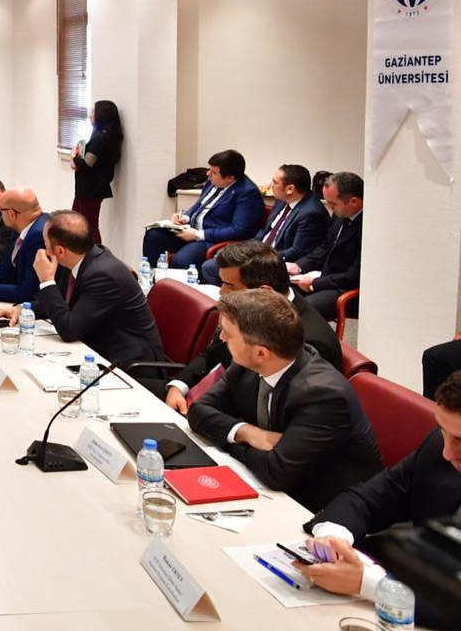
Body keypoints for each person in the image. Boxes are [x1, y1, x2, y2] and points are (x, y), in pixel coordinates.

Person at [187, 289, 381, 510]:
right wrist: (247, 433)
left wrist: (230, 441)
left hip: (322, 506)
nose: (221, 338)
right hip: (276, 489)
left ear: (261, 353)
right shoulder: (248, 363)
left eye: (229, 335)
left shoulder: (323, 395)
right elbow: (198, 410)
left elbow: (276, 472)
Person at [296, 371, 461, 625]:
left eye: (460, 439)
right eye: (443, 430)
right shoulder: (437, 448)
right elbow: (368, 498)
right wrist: (334, 538)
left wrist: (371, 584)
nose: (447, 453)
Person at [162, 241, 343, 410]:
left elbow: (270, 408)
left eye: (229, 285)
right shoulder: (248, 309)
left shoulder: (309, 341)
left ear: (263, 291)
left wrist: (205, 414)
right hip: (214, 395)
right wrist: (179, 386)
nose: (221, 292)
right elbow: (214, 351)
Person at [0, 210, 164, 369]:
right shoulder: (80, 258)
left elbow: (69, 330)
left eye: (45, 243)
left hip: (130, 364)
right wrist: (22, 309)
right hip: (96, 349)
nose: (42, 249)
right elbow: (62, 303)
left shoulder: (102, 275)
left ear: (60, 251)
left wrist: (46, 280)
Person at [198, 164, 328, 284]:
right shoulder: (283, 200)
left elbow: (297, 251)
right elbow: (266, 231)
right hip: (261, 251)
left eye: (275, 182)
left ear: (290, 189)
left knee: (211, 267)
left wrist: (255, 257)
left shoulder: (311, 213)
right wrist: (245, 249)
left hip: (276, 263)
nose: (271, 185)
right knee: (218, 261)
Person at [141, 149, 265, 268]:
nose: (208, 174)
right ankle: (153, 277)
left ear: (230, 178)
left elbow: (238, 230)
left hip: (212, 240)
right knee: (153, 235)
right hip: (191, 231)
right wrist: (185, 216)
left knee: (181, 261)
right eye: (209, 169)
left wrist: (198, 235)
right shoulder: (212, 181)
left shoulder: (247, 193)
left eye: (214, 172)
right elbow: (200, 205)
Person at [290, 171, 363, 323]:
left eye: (333, 203)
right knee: (279, 294)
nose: (328, 207)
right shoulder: (339, 214)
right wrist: (299, 265)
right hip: (324, 276)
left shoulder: (367, 226)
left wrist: (315, 283)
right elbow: (324, 247)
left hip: (345, 287)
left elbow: (353, 276)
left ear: (354, 202)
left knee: (302, 310)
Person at [70, 100, 124, 245]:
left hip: (90, 189)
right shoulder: (108, 136)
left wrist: (74, 157)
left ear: (102, 115)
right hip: (89, 188)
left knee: (89, 225)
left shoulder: (100, 137)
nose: (90, 115)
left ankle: (95, 254)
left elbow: (87, 163)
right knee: (78, 221)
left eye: (93, 112)